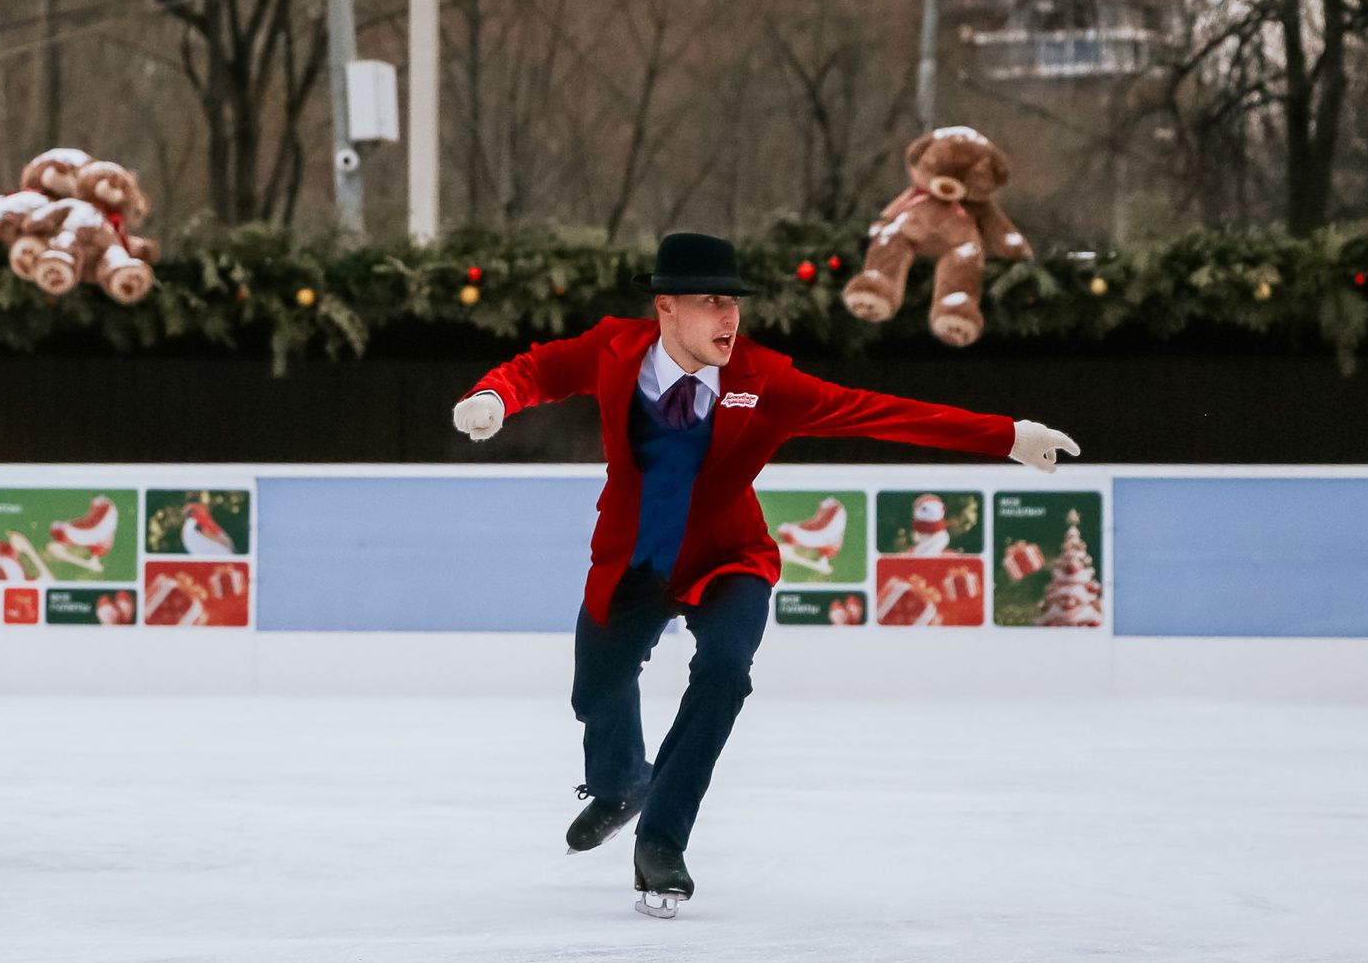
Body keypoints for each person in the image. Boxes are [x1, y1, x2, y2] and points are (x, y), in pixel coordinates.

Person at [452, 231, 1080, 917]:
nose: (730, 318)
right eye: (711, 302)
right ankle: (620, 783)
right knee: (596, 685)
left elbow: (880, 413)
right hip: (635, 557)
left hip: (729, 559)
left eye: (735, 303)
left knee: (725, 671)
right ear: (666, 306)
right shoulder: (614, 350)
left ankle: (661, 837)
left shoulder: (764, 381)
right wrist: (494, 397)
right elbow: (539, 369)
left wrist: (1008, 436)